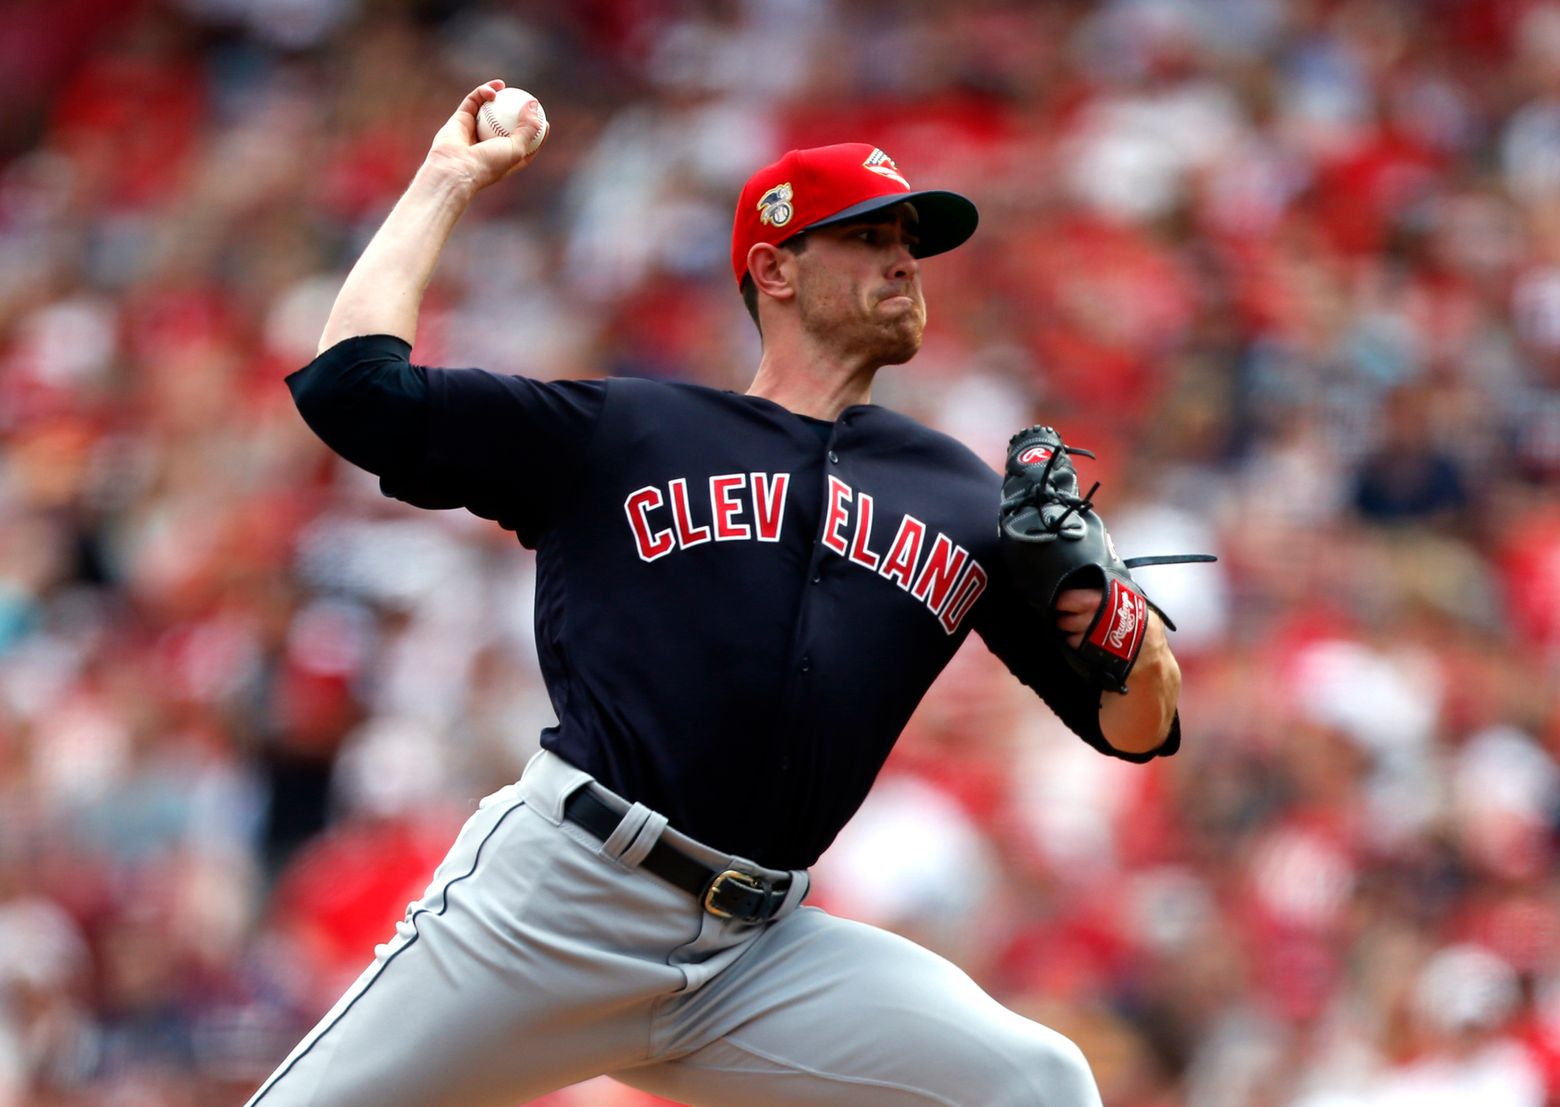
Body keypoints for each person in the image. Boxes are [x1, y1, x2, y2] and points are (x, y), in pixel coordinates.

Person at [246, 80, 1184, 1107]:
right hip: (562, 901)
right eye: (868, 238)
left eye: (909, 239)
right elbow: (351, 390)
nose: (904, 260)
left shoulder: (960, 492)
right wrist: (446, 178)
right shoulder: (630, 432)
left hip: (755, 954)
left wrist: (1123, 626)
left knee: (1037, 1083)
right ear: (775, 268)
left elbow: (1134, 726)